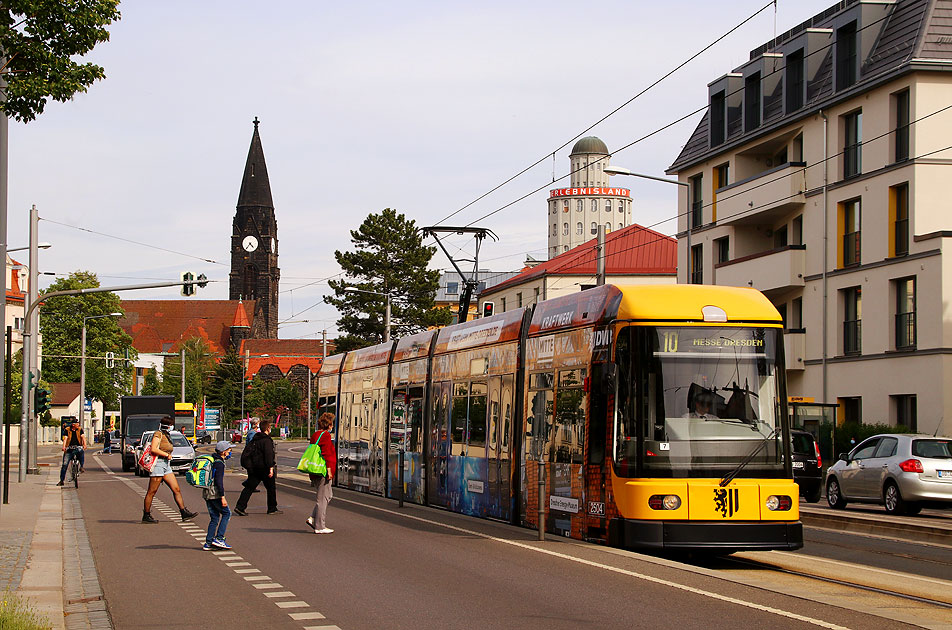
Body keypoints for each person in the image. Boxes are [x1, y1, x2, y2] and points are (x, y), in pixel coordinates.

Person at [142, 416, 198, 523]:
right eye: (171, 425)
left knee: (176, 489)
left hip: (166, 465)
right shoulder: (158, 434)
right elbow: (154, 449)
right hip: (158, 464)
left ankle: (183, 512)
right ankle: (146, 515)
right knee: (152, 491)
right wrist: (165, 454)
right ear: (167, 426)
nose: (172, 427)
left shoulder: (167, 435)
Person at [234, 419, 282, 515]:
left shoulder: (255, 439)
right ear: (268, 428)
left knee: (249, 487)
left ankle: (240, 506)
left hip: (254, 467)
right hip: (264, 468)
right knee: (271, 488)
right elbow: (268, 455)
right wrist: (271, 468)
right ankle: (272, 508)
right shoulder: (266, 440)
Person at [306, 412, 337, 534]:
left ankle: (313, 518)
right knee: (322, 498)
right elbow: (326, 454)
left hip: (315, 470)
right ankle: (319, 526)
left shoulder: (316, 435)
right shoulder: (325, 436)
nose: (332, 426)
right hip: (322, 470)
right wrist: (329, 470)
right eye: (332, 423)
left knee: (327, 496)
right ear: (328, 424)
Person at [203, 441, 233, 551]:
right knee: (227, 513)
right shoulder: (219, 464)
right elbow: (219, 481)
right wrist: (222, 497)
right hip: (215, 493)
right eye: (229, 450)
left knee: (214, 517)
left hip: (207, 492)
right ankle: (219, 538)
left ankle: (208, 542)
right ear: (224, 452)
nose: (230, 452)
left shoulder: (212, 460)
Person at [57, 420, 86, 486]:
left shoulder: (80, 429)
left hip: (78, 447)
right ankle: (61, 480)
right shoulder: (67, 430)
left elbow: (83, 437)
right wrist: (64, 447)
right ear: (73, 424)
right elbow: (65, 439)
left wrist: (84, 445)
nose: (78, 424)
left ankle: (81, 467)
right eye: (77, 423)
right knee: (65, 464)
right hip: (69, 448)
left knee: (81, 452)